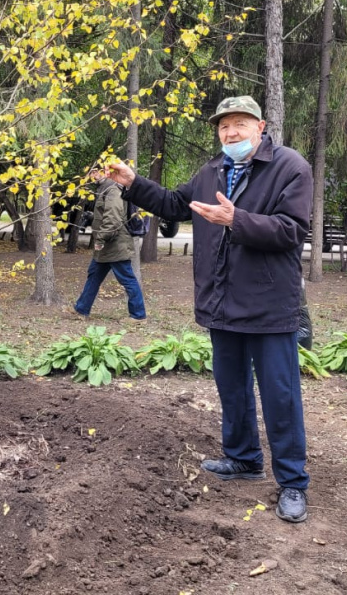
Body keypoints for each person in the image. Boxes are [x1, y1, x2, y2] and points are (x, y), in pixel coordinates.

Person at [106, 95, 312, 523]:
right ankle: (243, 458)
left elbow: (292, 231)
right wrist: (133, 182)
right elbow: (173, 205)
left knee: (280, 395)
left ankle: (292, 482)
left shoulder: (291, 167)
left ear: (261, 125)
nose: (231, 133)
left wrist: (236, 220)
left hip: (270, 305)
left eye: (240, 124)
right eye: (224, 127)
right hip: (222, 301)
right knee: (231, 386)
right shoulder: (212, 170)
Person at [72, 171, 147, 321]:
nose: (93, 175)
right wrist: (92, 217)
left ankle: (138, 316)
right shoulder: (104, 188)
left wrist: (100, 240)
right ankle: (81, 310)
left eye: (96, 172)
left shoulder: (112, 189)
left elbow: (113, 219)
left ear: (106, 172)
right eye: (91, 172)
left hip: (115, 244)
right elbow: (107, 214)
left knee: (127, 279)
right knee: (94, 275)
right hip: (107, 245)